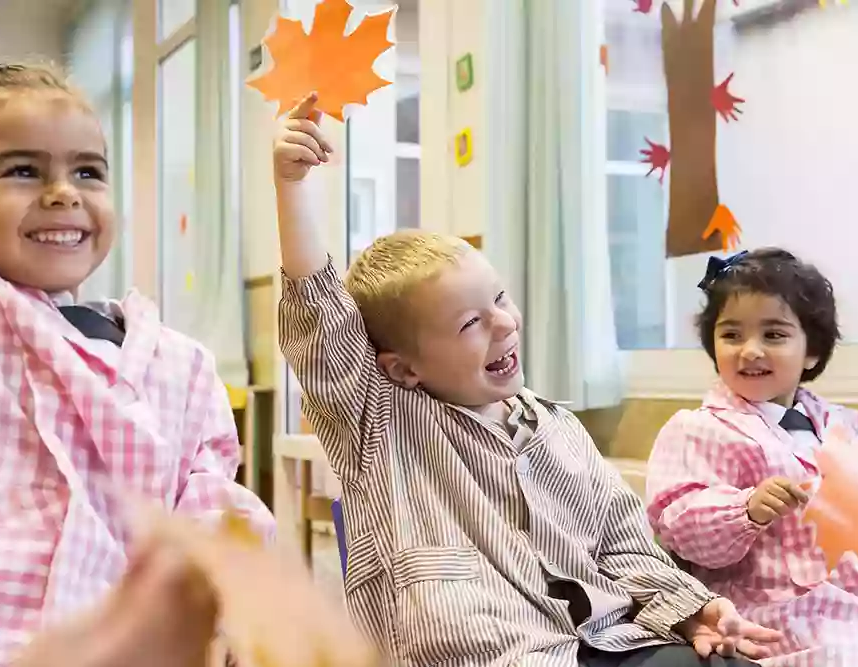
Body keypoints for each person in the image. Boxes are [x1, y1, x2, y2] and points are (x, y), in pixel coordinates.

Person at [274, 92, 782, 667]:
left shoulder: (556, 427)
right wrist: (292, 191)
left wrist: (694, 610)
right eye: (470, 322)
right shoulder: (380, 421)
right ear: (402, 368)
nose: (505, 323)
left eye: (499, 299)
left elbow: (621, 547)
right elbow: (320, 326)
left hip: (608, 640)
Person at [0, 62, 275, 665]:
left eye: (88, 172)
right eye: (22, 170)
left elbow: (211, 505)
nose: (63, 192)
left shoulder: (176, 367)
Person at [644, 248, 858, 667]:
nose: (749, 350)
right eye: (731, 335)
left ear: (812, 352)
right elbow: (677, 527)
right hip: (776, 608)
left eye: (773, 335)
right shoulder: (698, 430)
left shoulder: (848, 426)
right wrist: (745, 509)